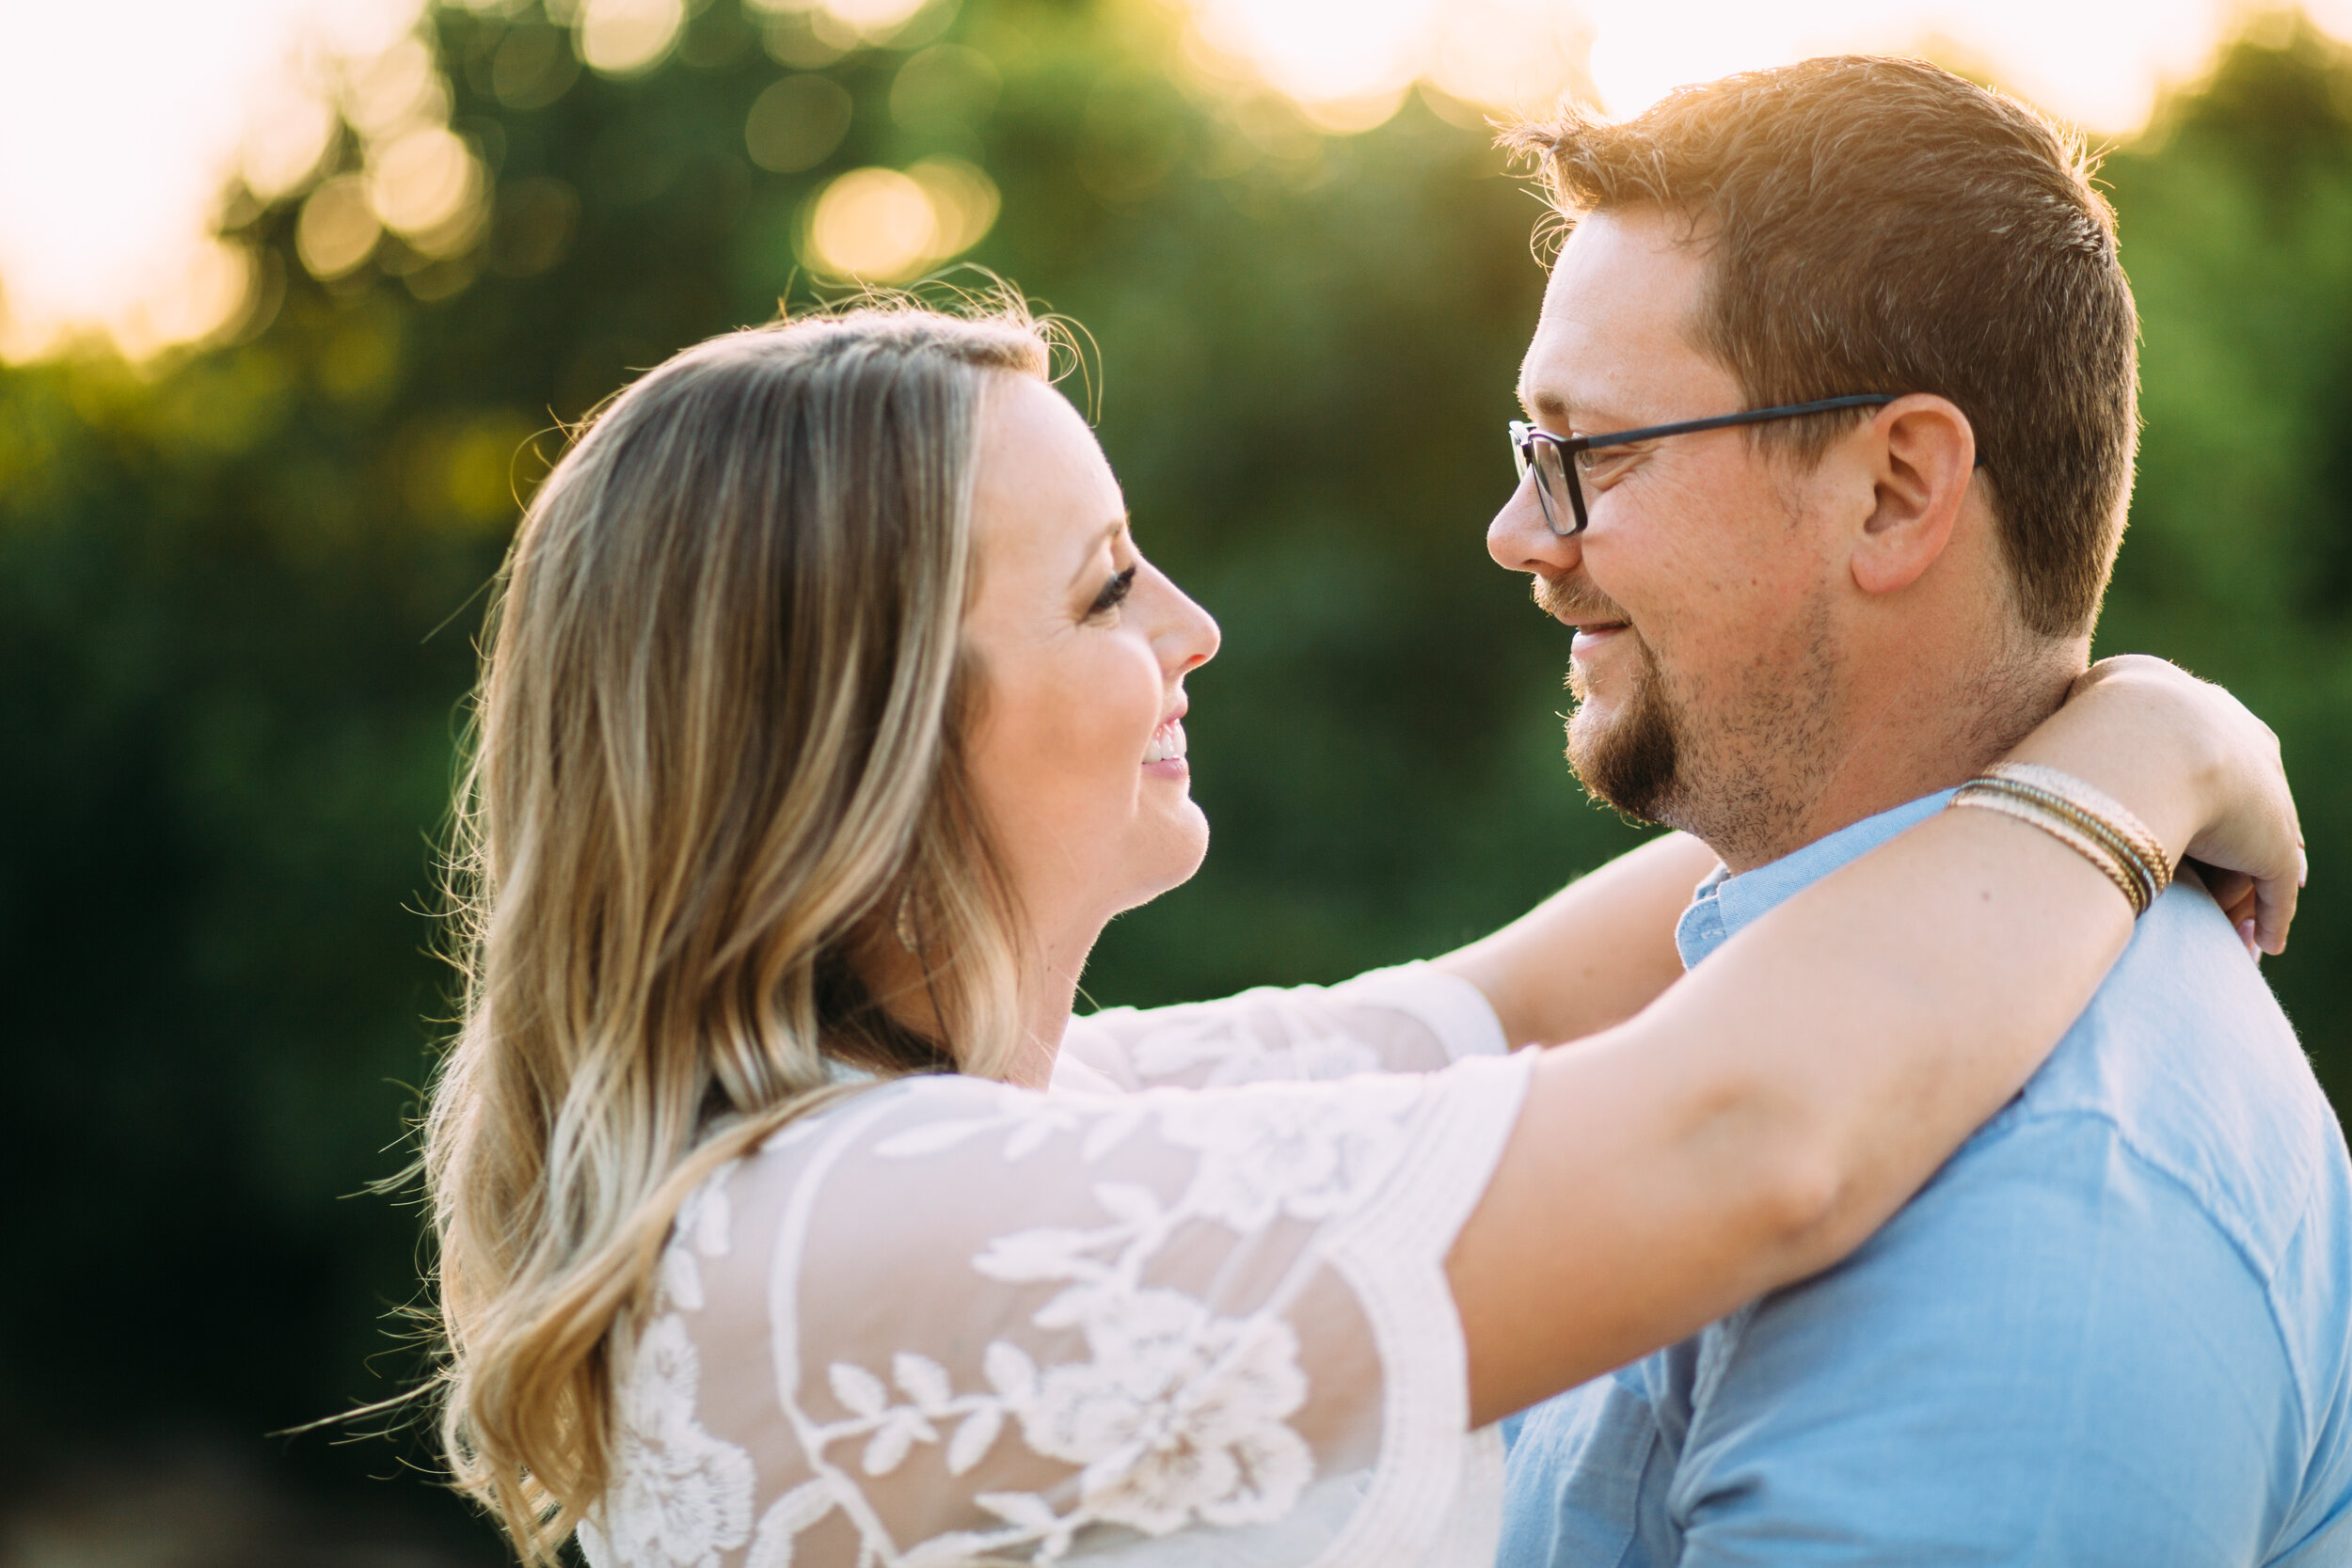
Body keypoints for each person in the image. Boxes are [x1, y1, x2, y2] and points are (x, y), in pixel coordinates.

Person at [417, 299, 2299, 1568]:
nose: (1189, 624)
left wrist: (2040, 704)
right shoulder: (841, 1236)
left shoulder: (1046, 1120)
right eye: (1098, 589)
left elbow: (1540, 984)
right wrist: (2154, 753)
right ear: (864, 730)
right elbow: (1745, 1140)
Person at [1486, 57, 2352, 1567]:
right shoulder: (1777, 952)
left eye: (1591, 453)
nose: (1518, 536)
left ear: (1894, 491)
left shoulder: (2056, 1214)